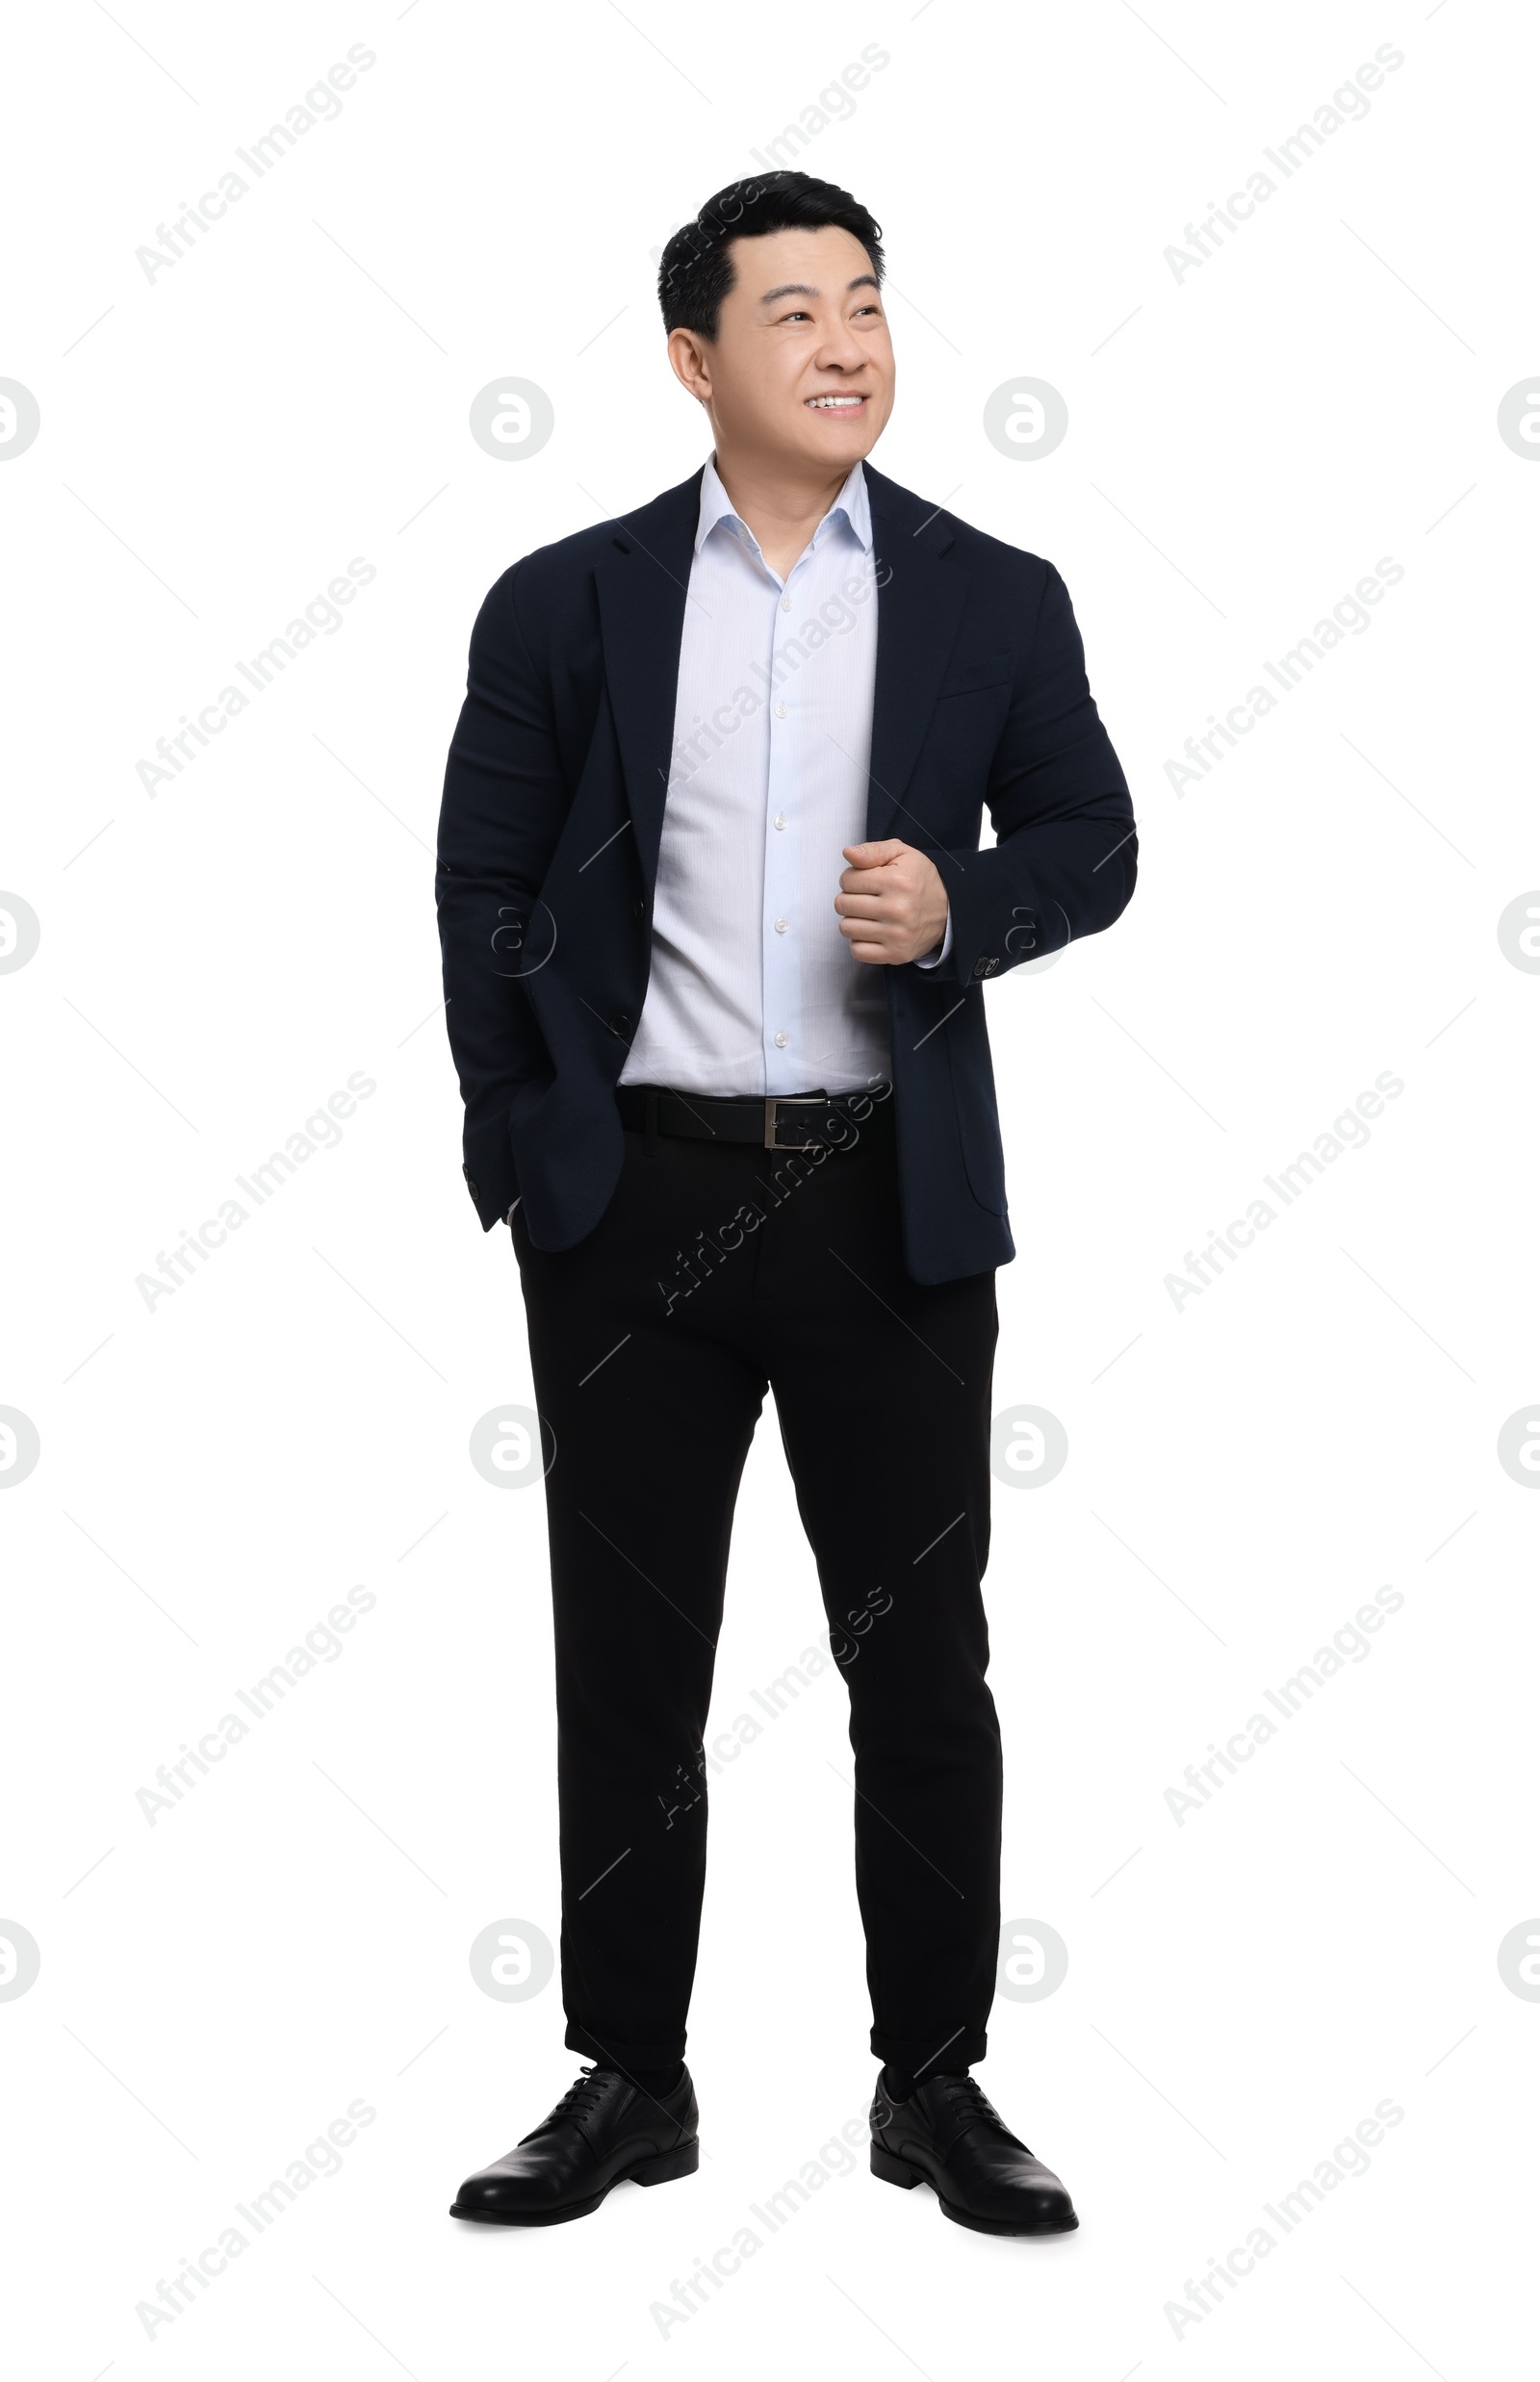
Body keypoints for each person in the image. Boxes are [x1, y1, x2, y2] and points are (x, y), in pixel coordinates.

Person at [436, 171, 1137, 2235]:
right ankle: (627, 2077)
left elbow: (1092, 838)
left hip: (884, 1209)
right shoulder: (561, 602)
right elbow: (480, 897)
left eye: (867, 305)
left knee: (918, 1659)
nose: (845, 346)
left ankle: (931, 2082)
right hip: (628, 1206)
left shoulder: (990, 593)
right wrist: (521, 1158)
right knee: (626, 1669)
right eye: (792, 313)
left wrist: (964, 906)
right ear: (692, 360)